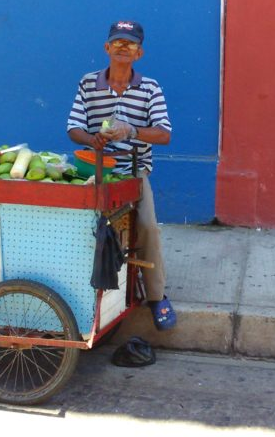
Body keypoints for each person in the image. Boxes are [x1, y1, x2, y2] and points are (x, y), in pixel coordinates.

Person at [66, 20, 177, 331]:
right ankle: (83, 291)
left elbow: (164, 134)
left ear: (139, 53)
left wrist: (133, 130)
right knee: (84, 226)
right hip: (96, 170)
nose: (123, 48)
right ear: (107, 48)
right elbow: (73, 127)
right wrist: (93, 140)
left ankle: (156, 296)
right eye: (118, 43)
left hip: (133, 172)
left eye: (130, 44)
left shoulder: (150, 88)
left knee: (147, 227)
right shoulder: (88, 84)